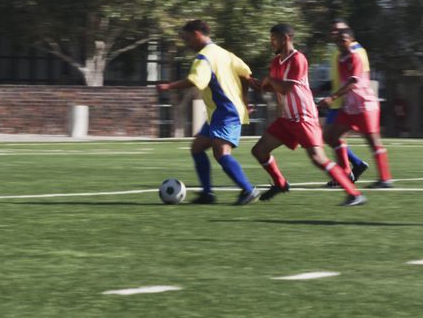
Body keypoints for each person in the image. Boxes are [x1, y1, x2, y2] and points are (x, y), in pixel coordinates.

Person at [249, 23, 366, 206]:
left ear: (286, 38)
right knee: (259, 150)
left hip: (304, 116)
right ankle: (280, 183)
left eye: (274, 39)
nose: (271, 43)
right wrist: (260, 85)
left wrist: (269, 80)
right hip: (287, 117)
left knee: (318, 159)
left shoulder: (298, 59)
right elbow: (276, 87)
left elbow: (287, 87)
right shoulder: (275, 62)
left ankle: (354, 194)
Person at [157, 19, 261, 206]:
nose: (188, 45)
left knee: (221, 153)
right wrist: (244, 100)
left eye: (188, 39)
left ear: (197, 34)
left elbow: (195, 81)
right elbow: (246, 75)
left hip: (225, 111)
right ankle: (207, 194)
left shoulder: (203, 57)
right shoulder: (224, 53)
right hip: (220, 112)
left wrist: (169, 86)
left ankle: (248, 190)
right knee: (197, 148)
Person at [320, 27, 393, 188]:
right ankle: (346, 173)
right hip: (350, 107)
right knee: (331, 136)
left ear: (351, 41)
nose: (340, 42)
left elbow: (353, 82)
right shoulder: (340, 58)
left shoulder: (355, 57)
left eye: (343, 40)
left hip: (365, 105)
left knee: (373, 141)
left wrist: (332, 97)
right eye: (338, 40)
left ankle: (385, 179)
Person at [323, 19, 371, 184]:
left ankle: (346, 172)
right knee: (331, 137)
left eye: (338, 30)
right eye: (333, 30)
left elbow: (358, 79)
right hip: (337, 100)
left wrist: (340, 97)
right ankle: (355, 165)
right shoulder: (337, 50)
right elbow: (337, 77)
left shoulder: (356, 51)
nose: (334, 33)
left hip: (346, 101)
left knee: (332, 137)